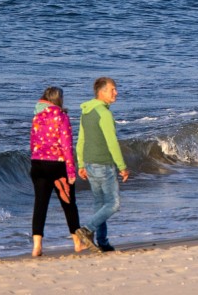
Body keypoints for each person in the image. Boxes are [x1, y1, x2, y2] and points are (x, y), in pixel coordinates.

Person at [29, 86, 89, 256]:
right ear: (58, 99)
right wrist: (71, 172)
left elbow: (33, 143)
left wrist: (34, 161)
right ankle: (77, 243)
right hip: (57, 164)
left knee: (40, 204)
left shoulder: (37, 117)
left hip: (37, 163)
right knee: (69, 204)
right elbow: (67, 146)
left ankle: (37, 246)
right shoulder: (62, 117)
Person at [75, 75, 129, 252]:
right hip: (103, 165)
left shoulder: (86, 111)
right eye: (112, 89)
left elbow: (81, 140)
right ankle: (86, 229)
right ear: (102, 91)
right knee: (113, 204)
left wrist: (81, 164)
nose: (116, 92)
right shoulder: (104, 113)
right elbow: (112, 142)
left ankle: (103, 241)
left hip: (90, 164)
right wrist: (122, 166)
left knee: (100, 205)